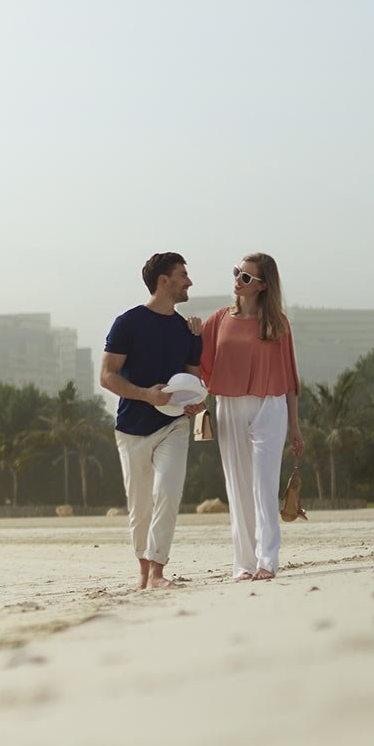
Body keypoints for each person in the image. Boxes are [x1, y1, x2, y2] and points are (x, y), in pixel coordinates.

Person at [99, 252, 206, 590]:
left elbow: (193, 380)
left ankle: (158, 571)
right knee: (140, 503)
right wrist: (148, 395)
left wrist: (192, 405)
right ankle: (144, 573)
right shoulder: (127, 323)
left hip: (173, 427)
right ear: (164, 280)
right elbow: (106, 377)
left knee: (168, 492)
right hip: (131, 428)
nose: (189, 281)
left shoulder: (188, 331)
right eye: (183, 275)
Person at [200, 252, 305, 581]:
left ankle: (267, 560)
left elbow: (289, 379)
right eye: (236, 273)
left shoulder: (277, 324)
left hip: (270, 406)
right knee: (238, 486)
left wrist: (295, 427)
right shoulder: (217, 320)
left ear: (262, 286)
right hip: (229, 405)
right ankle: (243, 563)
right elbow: (195, 362)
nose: (237, 280)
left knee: (264, 484)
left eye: (246, 277)